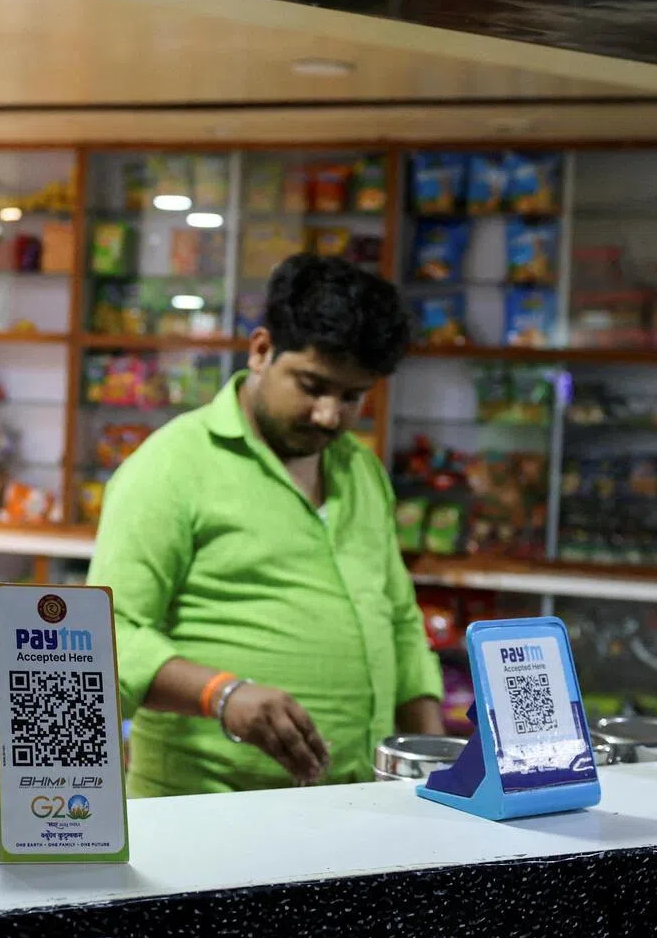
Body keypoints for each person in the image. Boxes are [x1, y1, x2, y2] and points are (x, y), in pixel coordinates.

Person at [87, 253, 443, 797]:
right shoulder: (170, 468)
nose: (330, 415)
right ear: (260, 350)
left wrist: (435, 760)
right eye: (312, 385)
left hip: (358, 803)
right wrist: (223, 696)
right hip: (207, 813)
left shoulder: (360, 469)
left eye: (352, 397)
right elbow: (108, 634)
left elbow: (398, 620)